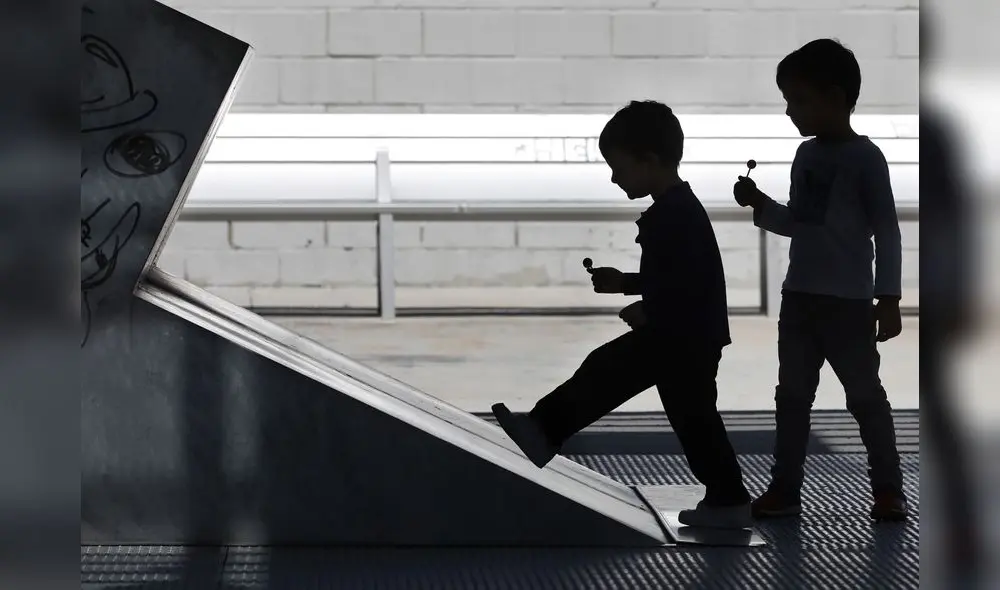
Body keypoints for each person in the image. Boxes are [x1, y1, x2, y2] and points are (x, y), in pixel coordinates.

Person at [492, 100, 752, 529]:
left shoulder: (675, 215)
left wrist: (651, 307)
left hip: (681, 337)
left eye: (619, 167)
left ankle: (543, 430)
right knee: (693, 419)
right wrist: (628, 283)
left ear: (648, 162)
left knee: (612, 372)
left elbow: (686, 282)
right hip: (688, 336)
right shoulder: (678, 210)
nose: (614, 177)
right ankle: (727, 499)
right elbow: (674, 276)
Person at [733, 39, 908, 521]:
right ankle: (786, 490)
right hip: (801, 297)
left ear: (835, 97)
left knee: (865, 398)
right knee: (792, 398)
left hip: (848, 302)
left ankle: (888, 490)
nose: (790, 111)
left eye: (798, 100)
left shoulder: (866, 159)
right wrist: (761, 205)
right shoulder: (806, 157)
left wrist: (887, 297)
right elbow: (801, 220)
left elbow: (887, 229)